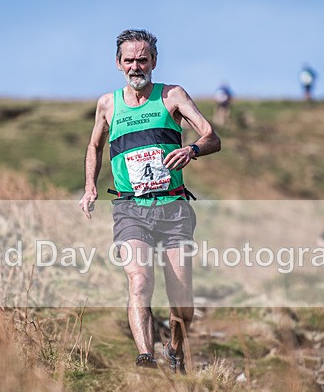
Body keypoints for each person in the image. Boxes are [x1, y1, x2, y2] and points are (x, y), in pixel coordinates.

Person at [79, 29, 221, 372]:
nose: (135, 66)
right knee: (139, 281)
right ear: (118, 64)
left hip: (173, 209)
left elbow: (212, 136)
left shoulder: (172, 96)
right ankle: (145, 358)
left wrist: (192, 149)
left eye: (142, 59)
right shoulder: (107, 104)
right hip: (130, 209)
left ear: (154, 61)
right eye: (129, 60)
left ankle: (174, 346)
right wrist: (90, 187)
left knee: (181, 305)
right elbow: (95, 146)